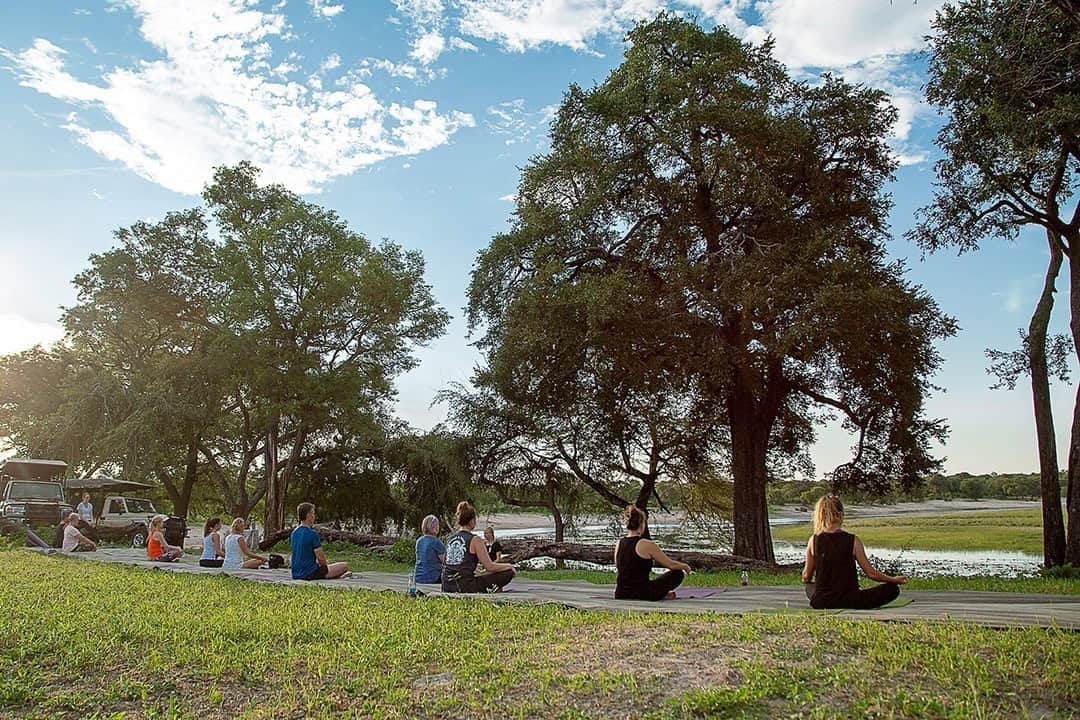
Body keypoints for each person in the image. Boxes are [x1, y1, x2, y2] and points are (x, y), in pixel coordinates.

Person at [801, 495, 907, 610]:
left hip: (822, 602)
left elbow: (806, 576)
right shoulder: (853, 540)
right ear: (841, 514)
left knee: (809, 588)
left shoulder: (813, 540)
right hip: (851, 601)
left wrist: (811, 580)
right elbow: (871, 573)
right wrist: (894, 580)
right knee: (893, 589)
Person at [613, 505, 689, 601]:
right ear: (642, 524)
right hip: (644, 593)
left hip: (621, 593)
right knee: (677, 573)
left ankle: (663, 593)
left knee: (652, 582)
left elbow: (619, 568)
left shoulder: (619, 543)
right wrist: (685, 567)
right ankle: (663, 593)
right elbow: (671, 564)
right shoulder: (646, 544)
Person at [442, 501, 515, 593]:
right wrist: (509, 566)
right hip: (465, 586)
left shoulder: (450, 538)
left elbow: (449, 563)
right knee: (508, 573)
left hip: (446, 585)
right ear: (472, 520)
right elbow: (490, 566)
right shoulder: (475, 539)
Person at [290, 503, 350, 580]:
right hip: (309, 574)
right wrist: (326, 566)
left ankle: (337, 576)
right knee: (344, 565)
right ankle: (338, 576)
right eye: (313, 513)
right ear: (308, 515)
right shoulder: (312, 534)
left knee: (325, 566)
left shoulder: (294, 533)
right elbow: (321, 559)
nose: (314, 516)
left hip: (295, 573)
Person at [414, 514, 445, 584]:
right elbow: (446, 561)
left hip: (418, 577)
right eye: (436, 525)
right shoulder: (436, 542)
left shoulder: (419, 541)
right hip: (433, 577)